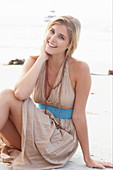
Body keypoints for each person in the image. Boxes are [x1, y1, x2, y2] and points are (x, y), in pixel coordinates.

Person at [0, 15, 112, 170]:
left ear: (69, 44)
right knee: (6, 97)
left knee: (5, 95)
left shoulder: (80, 68)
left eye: (61, 37)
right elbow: (20, 94)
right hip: (37, 132)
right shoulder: (33, 61)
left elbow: (79, 115)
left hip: (61, 139)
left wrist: (88, 158)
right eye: (51, 31)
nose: (52, 38)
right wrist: (42, 59)